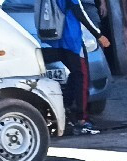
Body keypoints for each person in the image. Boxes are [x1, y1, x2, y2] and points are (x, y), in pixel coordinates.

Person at [41, 0, 109, 134]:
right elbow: (80, 12)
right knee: (82, 78)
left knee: (74, 76)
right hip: (72, 39)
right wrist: (98, 35)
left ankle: (68, 113)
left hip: (57, 39)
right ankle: (82, 119)